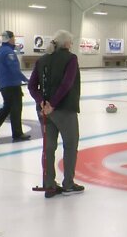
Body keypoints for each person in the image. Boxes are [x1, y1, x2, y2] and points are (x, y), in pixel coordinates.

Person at [28, 30, 83, 198]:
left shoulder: (42, 60)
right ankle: (68, 184)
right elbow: (67, 84)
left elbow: (32, 86)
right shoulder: (71, 58)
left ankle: (49, 184)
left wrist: (42, 102)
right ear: (66, 44)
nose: (71, 45)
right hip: (64, 110)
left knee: (49, 147)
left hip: (44, 112)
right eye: (71, 42)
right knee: (70, 145)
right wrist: (53, 104)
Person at [0, 31, 31, 141]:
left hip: (4, 84)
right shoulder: (9, 52)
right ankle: (17, 133)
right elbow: (14, 69)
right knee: (16, 108)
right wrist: (25, 79)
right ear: (10, 39)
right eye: (13, 38)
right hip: (12, 85)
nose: (14, 40)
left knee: (7, 108)